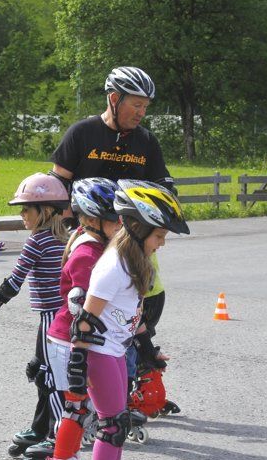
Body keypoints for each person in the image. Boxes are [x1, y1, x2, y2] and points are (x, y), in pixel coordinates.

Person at [60, 180, 189, 460]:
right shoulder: (113, 265)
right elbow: (85, 319)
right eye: (159, 235)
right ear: (137, 227)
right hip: (99, 353)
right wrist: (78, 365)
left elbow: (130, 315)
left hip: (116, 350)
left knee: (117, 423)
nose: (162, 243)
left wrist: (147, 350)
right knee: (112, 425)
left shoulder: (132, 259)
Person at [50, 66, 180, 420]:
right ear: (113, 99)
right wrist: (68, 225)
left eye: (145, 106)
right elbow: (56, 186)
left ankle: (126, 388)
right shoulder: (82, 133)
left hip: (131, 240)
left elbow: (164, 183)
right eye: (136, 104)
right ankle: (79, 396)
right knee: (83, 307)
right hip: (90, 236)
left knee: (141, 305)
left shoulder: (146, 141)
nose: (141, 113)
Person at [27, 177, 121, 460]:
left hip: (74, 338)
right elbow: (80, 304)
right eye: (114, 219)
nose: (120, 225)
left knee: (80, 408)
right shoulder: (86, 252)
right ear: (92, 219)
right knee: (76, 406)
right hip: (71, 340)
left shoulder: (91, 242)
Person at [0, 173, 70, 460]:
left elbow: (15, 279)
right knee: (41, 370)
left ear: (45, 211)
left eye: (26, 209)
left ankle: (58, 437)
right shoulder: (66, 239)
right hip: (66, 315)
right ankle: (40, 428)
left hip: (52, 317)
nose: (21, 215)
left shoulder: (36, 241)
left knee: (49, 377)